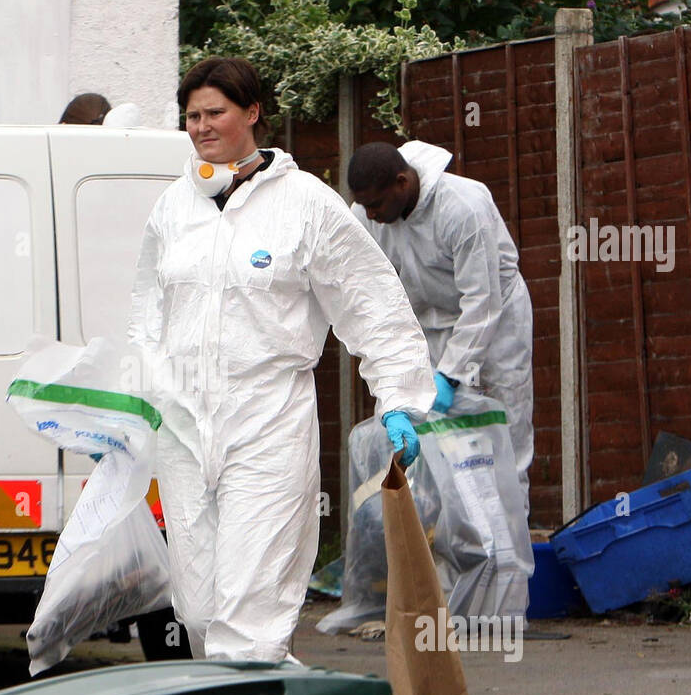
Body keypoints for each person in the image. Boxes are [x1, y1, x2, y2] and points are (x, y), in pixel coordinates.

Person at [128, 56, 435, 662]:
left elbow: (371, 303)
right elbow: (147, 313)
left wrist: (398, 397)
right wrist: (133, 401)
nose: (201, 126)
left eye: (215, 112)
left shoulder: (304, 205)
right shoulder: (174, 208)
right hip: (186, 428)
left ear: (253, 113)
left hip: (267, 423)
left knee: (251, 614)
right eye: (191, 115)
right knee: (198, 611)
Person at [347, 141, 534, 514]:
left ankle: (508, 544)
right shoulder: (367, 215)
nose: (370, 214)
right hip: (427, 323)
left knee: (503, 431)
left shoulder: (463, 206)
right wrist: (395, 395)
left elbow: (482, 302)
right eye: (364, 205)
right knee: (436, 445)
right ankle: (450, 545)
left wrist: (450, 374)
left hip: (495, 323)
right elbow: (376, 306)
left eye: (376, 205)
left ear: (402, 183)